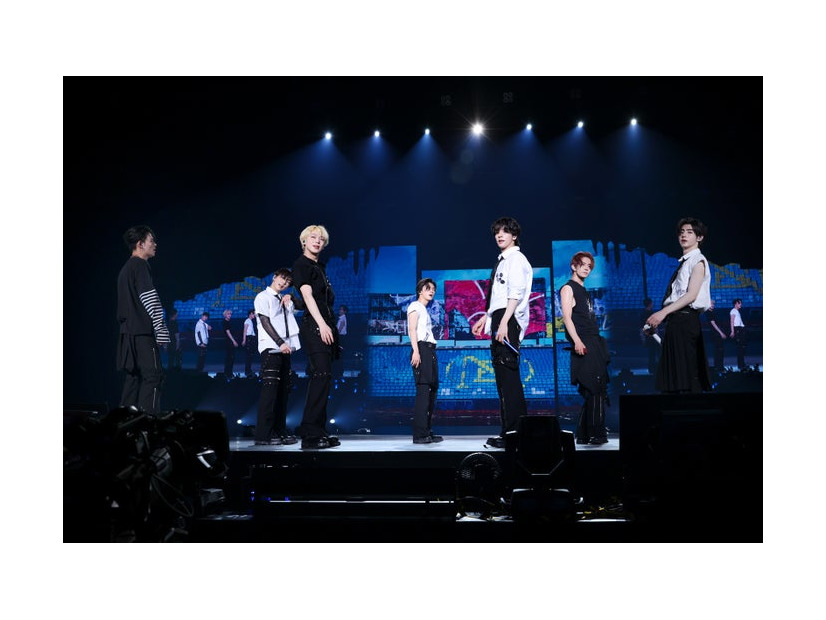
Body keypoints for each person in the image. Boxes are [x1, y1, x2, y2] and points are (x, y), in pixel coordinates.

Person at [471, 216, 533, 449]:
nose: (499, 235)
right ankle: (510, 433)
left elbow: (515, 293)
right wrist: (486, 318)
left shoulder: (516, 259)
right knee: (503, 381)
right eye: (497, 231)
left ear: (514, 235)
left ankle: (516, 435)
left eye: (505, 231)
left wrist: (505, 321)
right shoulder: (503, 261)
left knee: (509, 379)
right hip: (500, 317)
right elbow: (498, 298)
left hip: (509, 319)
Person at [645, 217, 712, 393]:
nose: (684, 235)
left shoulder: (697, 260)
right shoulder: (685, 262)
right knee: (674, 378)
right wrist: (658, 327)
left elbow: (691, 295)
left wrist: (662, 313)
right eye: (682, 232)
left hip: (686, 319)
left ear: (699, 237)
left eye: (689, 232)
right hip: (677, 321)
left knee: (685, 378)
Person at [291, 224, 342, 450]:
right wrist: (321, 324)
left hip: (326, 325)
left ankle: (319, 430)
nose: (317, 241)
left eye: (321, 239)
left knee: (325, 377)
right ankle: (310, 434)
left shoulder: (319, 267)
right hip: (315, 326)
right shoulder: (302, 264)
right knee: (320, 375)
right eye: (313, 237)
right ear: (304, 241)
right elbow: (308, 296)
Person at [116, 225, 170, 415]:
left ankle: (124, 423)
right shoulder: (140, 265)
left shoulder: (125, 269)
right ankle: (149, 423)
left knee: (134, 380)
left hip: (128, 335)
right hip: (142, 333)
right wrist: (161, 331)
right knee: (154, 377)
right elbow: (150, 299)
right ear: (140, 244)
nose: (155, 244)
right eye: (151, 241)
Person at [560, 252, 610, 445]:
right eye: (583, 264)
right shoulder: (568, 288)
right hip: (584, 341)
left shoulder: (583, 290)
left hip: (594, 341)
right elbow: (566, 318)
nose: (587, 268)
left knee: (595, 387)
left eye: (590, 266)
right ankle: (597, 433)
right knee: (594, 386)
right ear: (574, 266)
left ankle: (583, 434)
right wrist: (577, 341)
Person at [254, 269, 302, 446]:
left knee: (283, 392)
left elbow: (303, 306)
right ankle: (264, 435)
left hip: (286, 349)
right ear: (275, 277)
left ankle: (279, 431)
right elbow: (265, 322)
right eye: (282, 278)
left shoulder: (285, 299)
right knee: (270, 393)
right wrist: (280, 342)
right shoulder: (263, 297)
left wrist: (292, 297)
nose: (284, 283)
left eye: (288, 282)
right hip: (271, 348)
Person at [408, 278, 443, 444]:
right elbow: (412, 329)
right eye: (428, 288)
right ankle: (420, 434)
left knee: (432, 391)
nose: (432, 291)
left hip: (430, 350)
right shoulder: (415, 306)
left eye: (433, 289)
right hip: (421, 349)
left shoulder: (424, 309)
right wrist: (416, 351)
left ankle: (427, 430)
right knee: (423, 391)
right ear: (420, 291)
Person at [639, 297, 660, 375]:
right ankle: (656, 369)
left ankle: (652, 369)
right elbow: (654, 326)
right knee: (656, 353)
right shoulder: (651, 314)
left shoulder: (642, 314)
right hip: (653, 336)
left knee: (651, 353)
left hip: (648, 336)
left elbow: (641, 327)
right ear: (650, 304)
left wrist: (643, 338)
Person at [705, 299, 727, 372]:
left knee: (719, 350)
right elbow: (713, 324)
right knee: (719, 350)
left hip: (717, 333)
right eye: (711, 304)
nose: (713, 305)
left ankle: (719, 367)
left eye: (713, 304)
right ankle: (719, 367)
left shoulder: (712, 312)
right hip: (716, 334)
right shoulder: (708, 313)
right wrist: (721, 333)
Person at [729, 298, 747, 370]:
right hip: (737, 330)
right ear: (736, 304)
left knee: (742, 348)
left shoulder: (737, 311)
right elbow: (732, 321)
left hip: (740, 329)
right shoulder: (733, 311)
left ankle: (742, 364)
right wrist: (732, 331)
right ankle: (741, 365)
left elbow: (740, 322)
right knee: (740, 349)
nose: (741, 304)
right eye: (739, 303)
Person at [222, 309, 239, 379]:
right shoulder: (225, 322)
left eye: (230, 314)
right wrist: (233, 341)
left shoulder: (229, 322)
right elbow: (228, 332)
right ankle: (228, 373)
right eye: (228, 314)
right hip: (229, 342)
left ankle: (229, 373)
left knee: (231, 358)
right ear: (225, 315)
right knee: (230, 358)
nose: (229, 315)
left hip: (230, 341)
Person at [241, 309, 257, 377]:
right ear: (250, 314)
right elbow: (245, 331)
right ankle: (247, 371)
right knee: (248, 356)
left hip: (252, 338)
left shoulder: (250, 321)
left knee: (250, 356)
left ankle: (249, 370)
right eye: (254, 314)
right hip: (249, 339)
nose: (254, 315)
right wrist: (244, 340)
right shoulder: (247, 321)